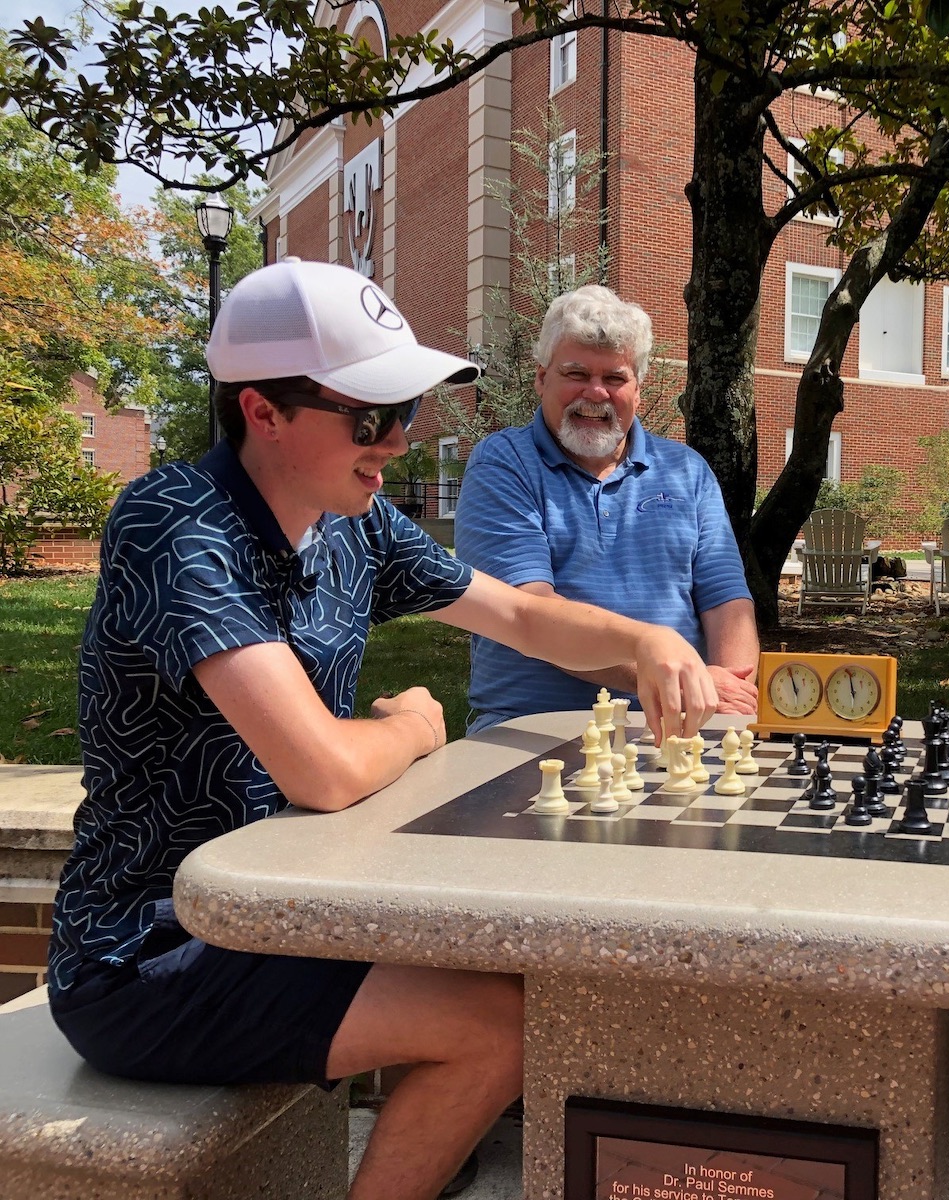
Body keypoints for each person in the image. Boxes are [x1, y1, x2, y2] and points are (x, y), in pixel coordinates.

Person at [47, 259, 719, 1200]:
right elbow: (321, 769)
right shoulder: (176, 523)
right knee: (496, 1025)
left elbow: (521, 618)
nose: (398, 442)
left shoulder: (351, 523)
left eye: (406, 410)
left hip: (286, 915)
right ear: (262, 412)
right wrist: (411, 727)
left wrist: (646, 641)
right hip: (151, 953)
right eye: (370, 417)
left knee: (501, 953)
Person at [455, 285, 759, 732]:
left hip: (683, 723)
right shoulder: (502, 465)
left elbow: (727, 603)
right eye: (576, 373)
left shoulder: (687, 470)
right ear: (542, 377)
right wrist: (665, 678)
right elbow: (531, 612)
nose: (595, 393)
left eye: (614, 378)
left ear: (638, 388)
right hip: (536, 728)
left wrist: (727, 702)